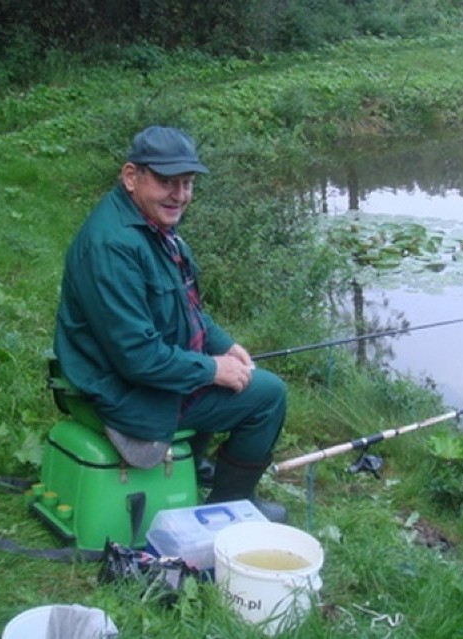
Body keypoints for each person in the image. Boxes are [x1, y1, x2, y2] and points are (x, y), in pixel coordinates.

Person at [54, 125, 288, 522]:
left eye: (187, 183)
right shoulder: (113, 246)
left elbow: (184, 306)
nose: (179, 195)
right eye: (166, 182)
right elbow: (139, 358)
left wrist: (223, 345)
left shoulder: (151, 229)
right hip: (125, 390)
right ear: (132, 177)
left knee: (235, 373)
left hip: (146, 374)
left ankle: (192, 469)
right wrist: (213, 369)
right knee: (268, 395)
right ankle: (230, 508)